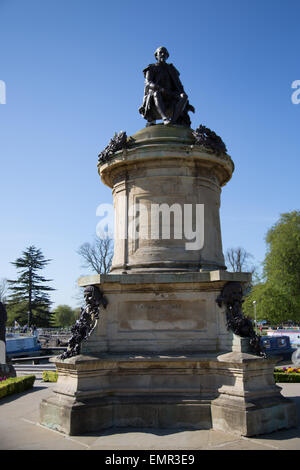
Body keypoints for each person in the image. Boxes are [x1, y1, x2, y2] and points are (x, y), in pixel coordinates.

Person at [139, 46, 195, 127]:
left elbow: (179, 85)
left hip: (170, 94)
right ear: (156, 56)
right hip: (157, 92)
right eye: (160, 52)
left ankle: (173, 121)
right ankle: (164, 118)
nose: (163, 54)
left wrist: (187, 103)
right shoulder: (151, 68)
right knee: (156, 93)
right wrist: (158, 88)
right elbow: (148, 83)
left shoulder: (171, 69)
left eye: (165, 53)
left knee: (184, 96)